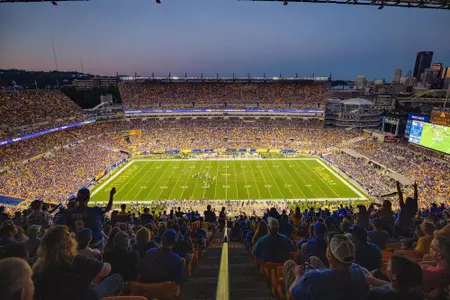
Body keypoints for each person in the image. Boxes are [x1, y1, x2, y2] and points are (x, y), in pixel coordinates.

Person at [32, 226, 122, 300]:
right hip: (83, 296)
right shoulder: (75, 260)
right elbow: (106, 268)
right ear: (68, 243)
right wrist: (96, 280)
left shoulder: (38, 267)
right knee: (117, 278)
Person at [288, 234, 369, 300]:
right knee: (313, 259)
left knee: (289, 264)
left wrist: (298, 276)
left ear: (330, 255)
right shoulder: (359, 271)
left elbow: (292, 295)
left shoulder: (311, 279)